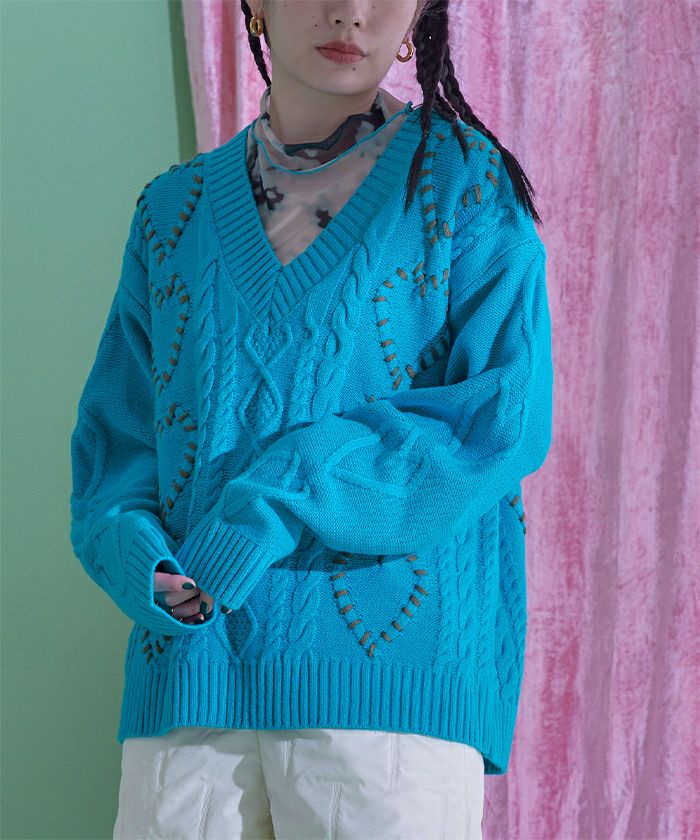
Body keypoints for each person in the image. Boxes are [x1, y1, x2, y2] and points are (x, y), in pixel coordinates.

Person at [69, 0, 553, 837]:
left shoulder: (465, 189)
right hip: (188, 689)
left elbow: (499, 419)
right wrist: (139, 563)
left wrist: (276, 498)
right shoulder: (171, 212)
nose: (349, 12)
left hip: (386, 706)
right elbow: (117, 445)